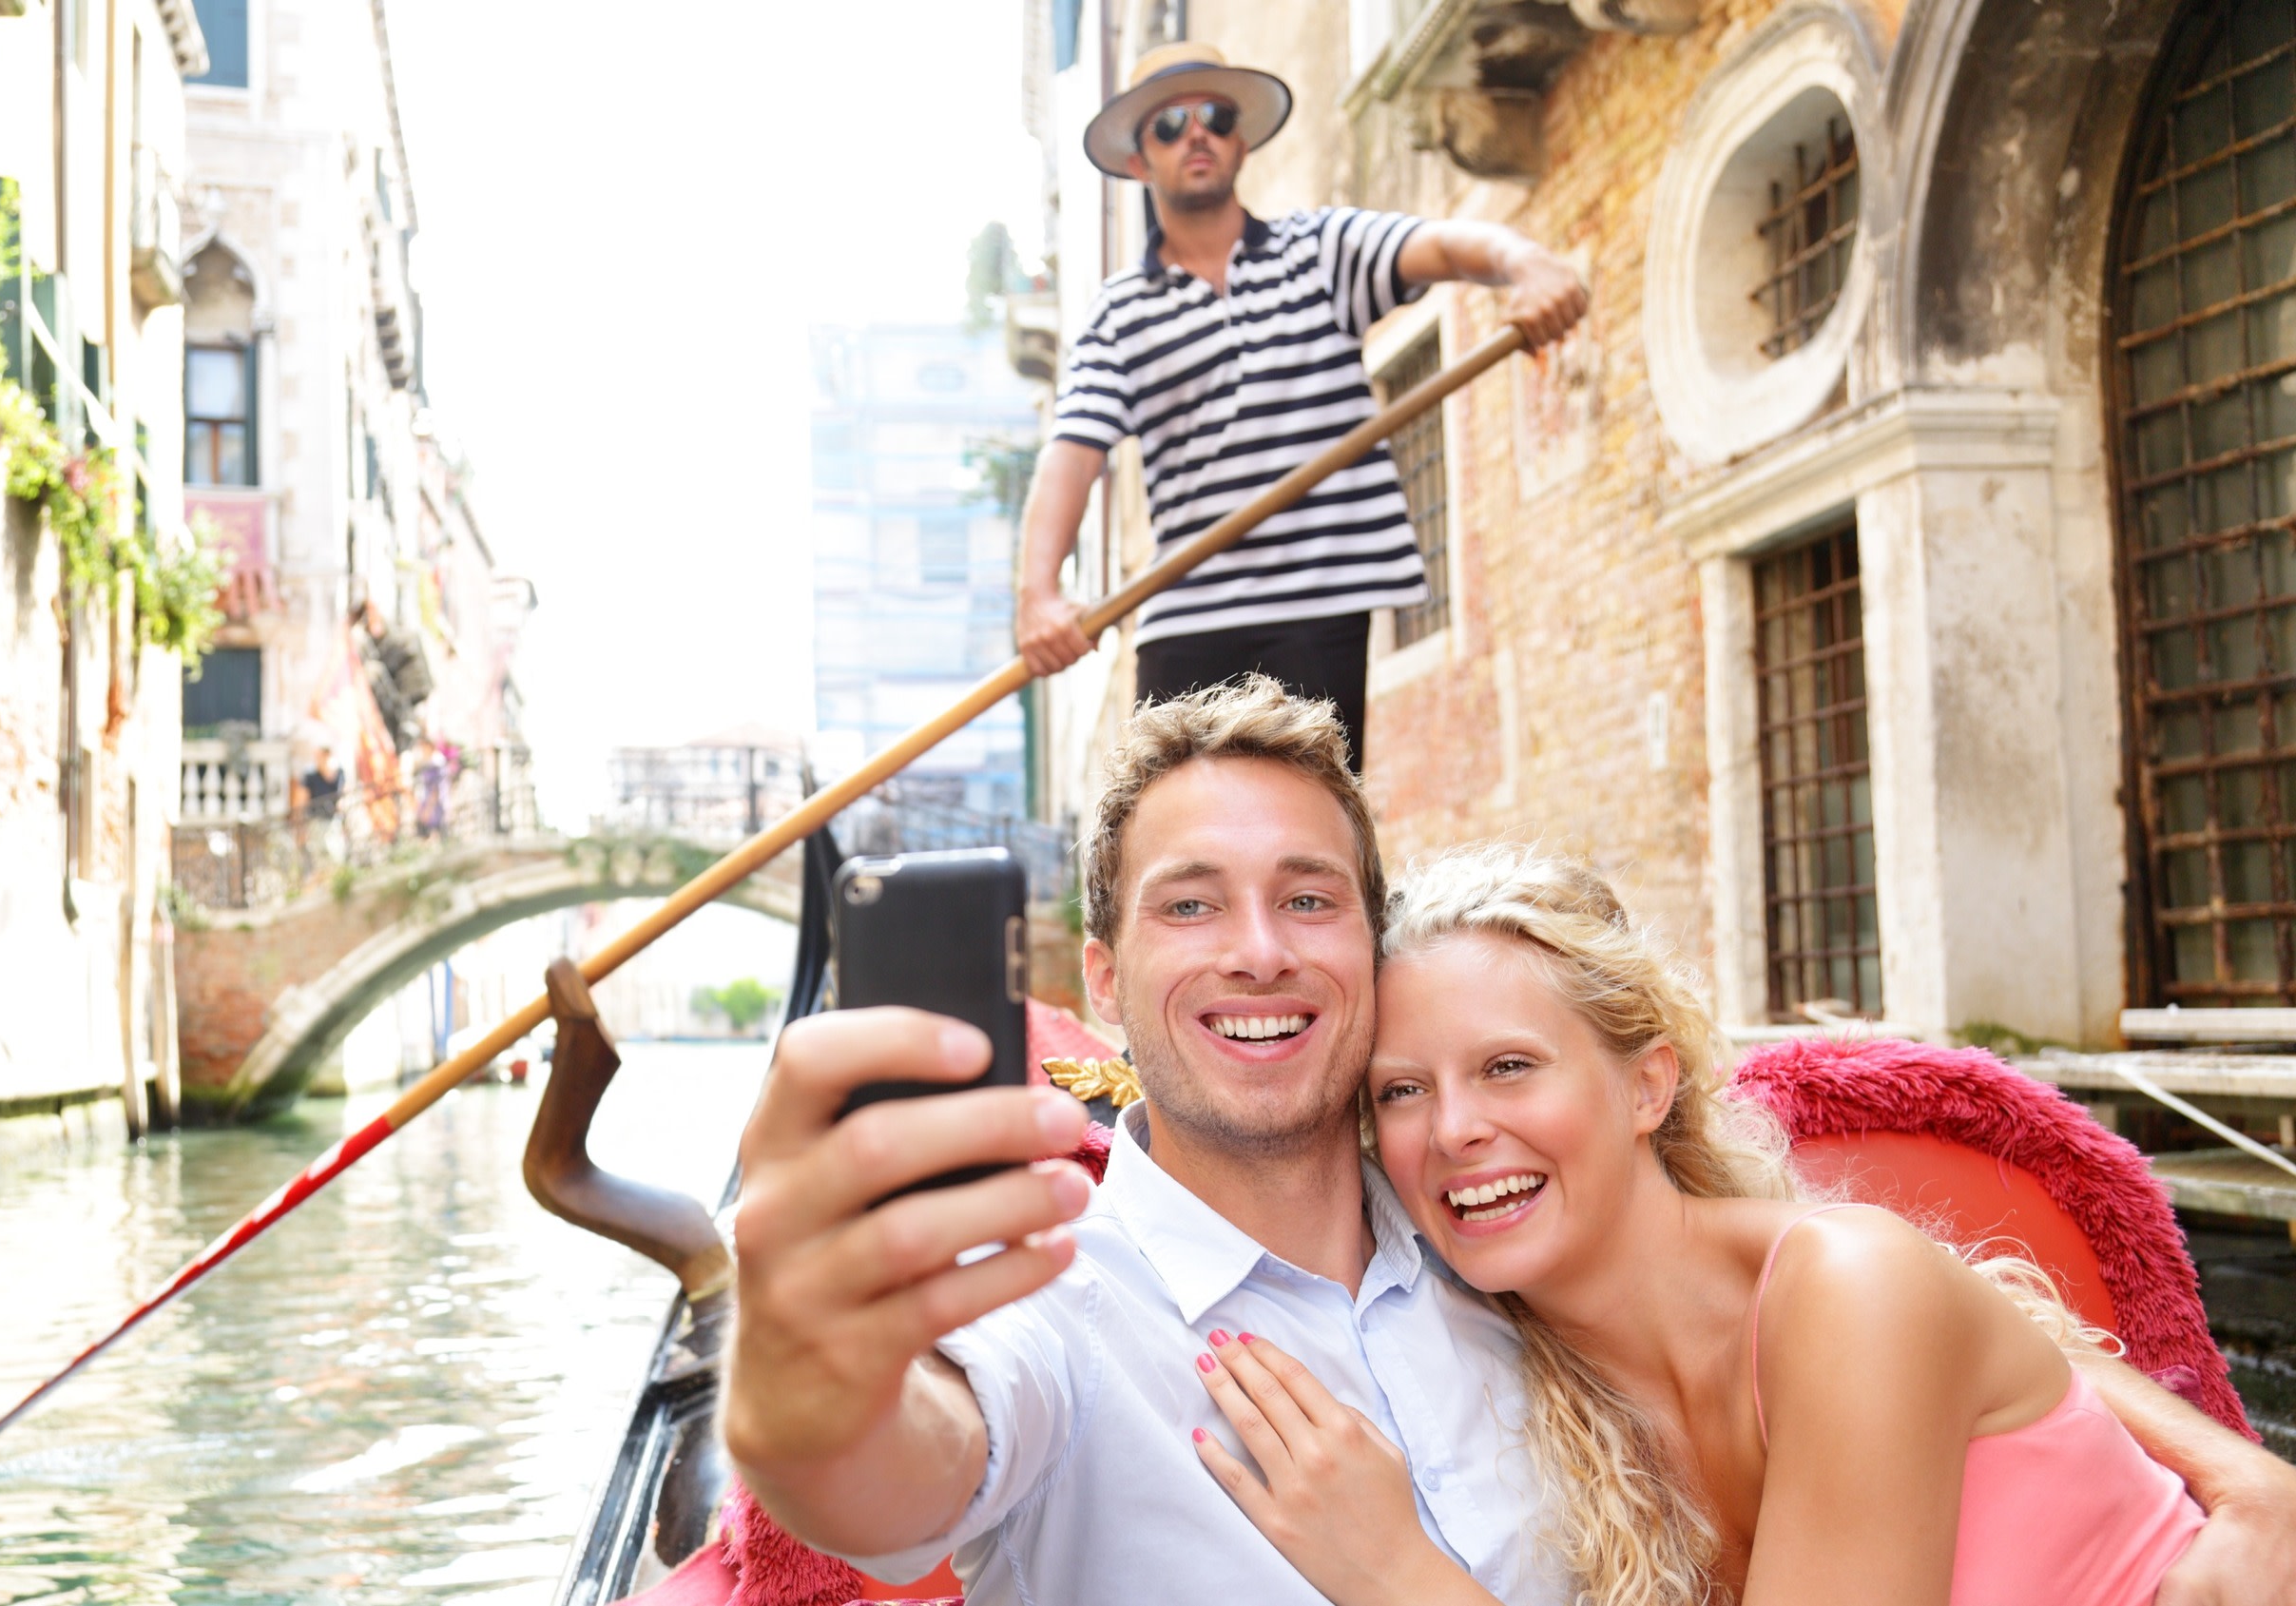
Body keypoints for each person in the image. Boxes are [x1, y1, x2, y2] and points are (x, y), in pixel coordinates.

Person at [719, 676, 2296, 1606]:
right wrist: (802, 1369)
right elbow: (887, 1467)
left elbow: (1891, 1305)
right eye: (1190, 900)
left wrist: (2246, 1486)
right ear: (1107, 983)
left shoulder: (1496, 1258)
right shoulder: (1045, 1302)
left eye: (1311, 897)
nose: (1261, 947)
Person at [1189, 844, 2238, 1606]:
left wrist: (1398, 1578)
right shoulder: (1524, 1386)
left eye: (1508, 1067)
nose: (1455, 1130)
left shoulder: (1848, 1285)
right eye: (1401, 1093)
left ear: (1648, 1086)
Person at [1011, 42, 1588, 768]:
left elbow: (1444, 245)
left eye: (1216, 117)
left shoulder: (1320, 250)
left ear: (1240, 142)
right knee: (1170, 825)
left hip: (1321, 598)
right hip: (1187, 609)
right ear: (1138, 161)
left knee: (1313, 823)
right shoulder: (1118, 312)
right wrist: (1038, 595)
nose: (1197, 133)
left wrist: (1526, 264)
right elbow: (1072, 454)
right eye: (1170, 123)